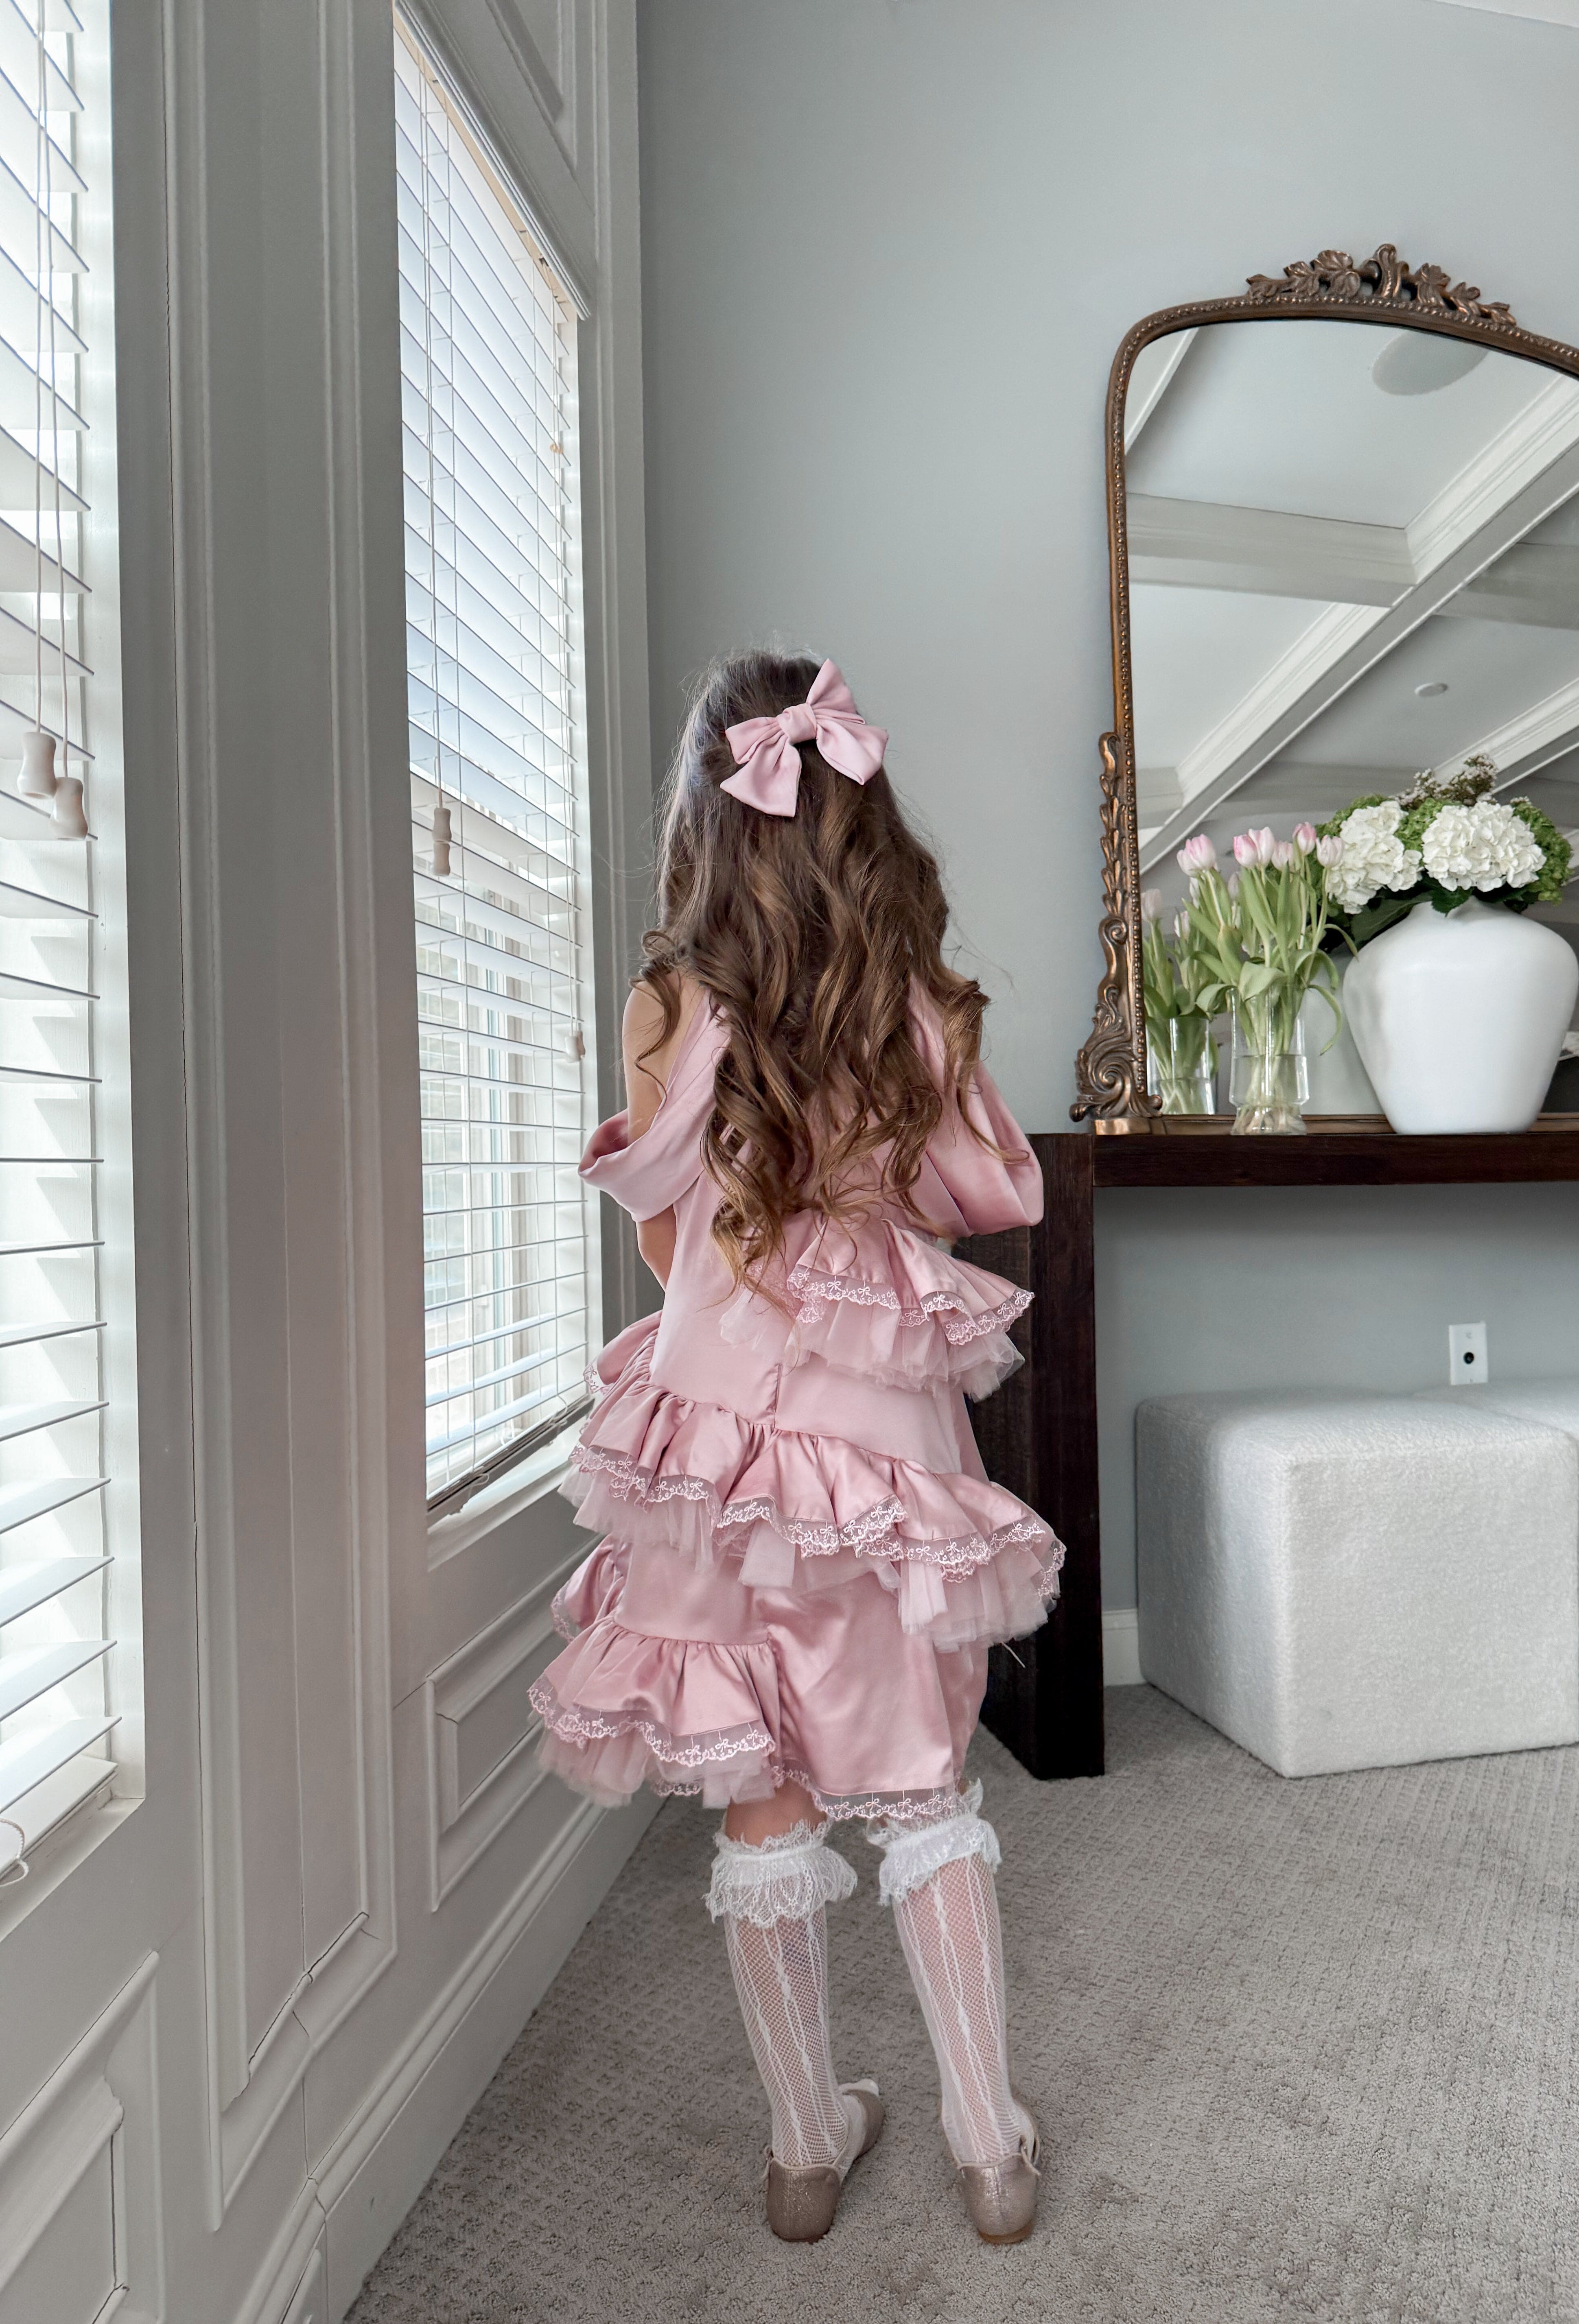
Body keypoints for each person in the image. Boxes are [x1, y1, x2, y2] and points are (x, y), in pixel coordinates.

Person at [530, 649, 1060, 2245]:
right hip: (880, 1453)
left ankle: (805, 2146)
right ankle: (987, 2142)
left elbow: (657, 1241)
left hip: (705, 1457)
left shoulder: (665, 1006)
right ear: (864, 814)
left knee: (759, 1802)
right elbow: (991, 1198)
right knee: (924, 1790)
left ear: (708, 821)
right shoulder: (910, 1009)